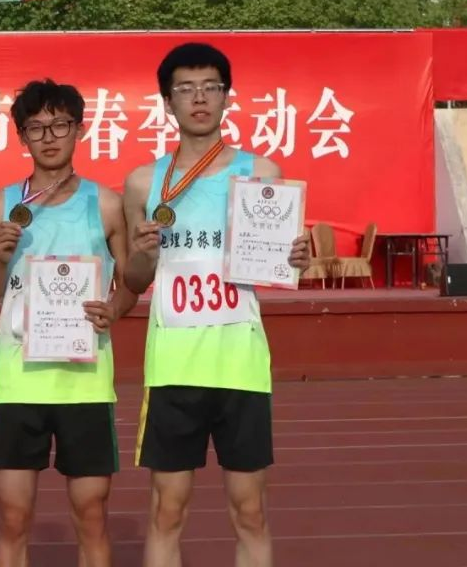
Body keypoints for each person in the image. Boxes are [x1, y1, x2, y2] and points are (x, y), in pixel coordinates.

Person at [121, 43, 311, 567]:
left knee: (250, 511)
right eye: (186, 89)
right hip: (173, 364)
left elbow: (281, 263)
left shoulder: (262, 173)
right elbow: (134, 280)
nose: (199, 98)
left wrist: (295, 256)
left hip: (240, 363)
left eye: (210, 87)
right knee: (167, 511)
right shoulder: (143, 182)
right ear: (167, 102)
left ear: (227, 97)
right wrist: (142, 254)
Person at [0, 79, 138, 567]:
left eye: (60, 125)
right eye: (36, 127)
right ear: (21, 136)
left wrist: (115, 308)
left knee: (91, 515)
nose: (48, 137)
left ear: (79, 130)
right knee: (13, 518)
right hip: (18, 382)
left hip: (85, 383)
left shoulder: (105, 204)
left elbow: (130, 283)